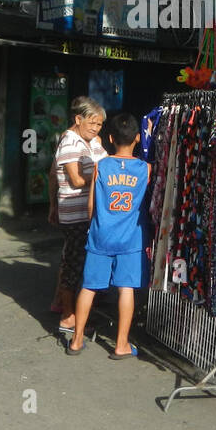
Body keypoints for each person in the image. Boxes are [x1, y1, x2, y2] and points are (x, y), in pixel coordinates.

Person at [67, 112, 150, 358]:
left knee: (89, 287)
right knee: (126, 289)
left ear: (111, 138)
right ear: (137, 138)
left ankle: (76, 339)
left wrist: (95, 225)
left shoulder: (100, 165)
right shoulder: (146, 169)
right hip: (130, 238)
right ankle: (121, 344)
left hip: (101, 235)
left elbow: (91, 205)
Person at [49, 96, 107, 334]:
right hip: (74, 214)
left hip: (88, 214)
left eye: (100, 124)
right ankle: (68, 316)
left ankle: (66, 307)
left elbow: (103, 162)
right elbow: (74, 180)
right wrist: (101, 181)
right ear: (78, 119)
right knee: (73, 264)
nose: (95, 128)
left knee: (77, 262)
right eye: (92, 123)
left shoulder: (91, 141)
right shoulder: (70, 142)